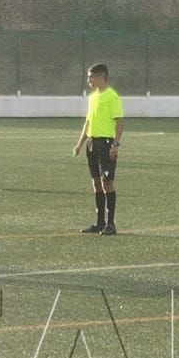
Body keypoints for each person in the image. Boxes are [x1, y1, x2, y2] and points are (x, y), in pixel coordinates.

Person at [72, 62, 123, 234]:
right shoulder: (93, 97)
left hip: (106, 143)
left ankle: (111, 224)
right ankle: (100, 222)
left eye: (91, 77)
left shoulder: (112, 96)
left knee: (107, 182)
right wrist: (80, 144)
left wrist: (116, 144)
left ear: (101, 76)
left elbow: (120, 122)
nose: (88, 80)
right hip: (92, 143)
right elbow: (88, 122)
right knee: (96, 182)